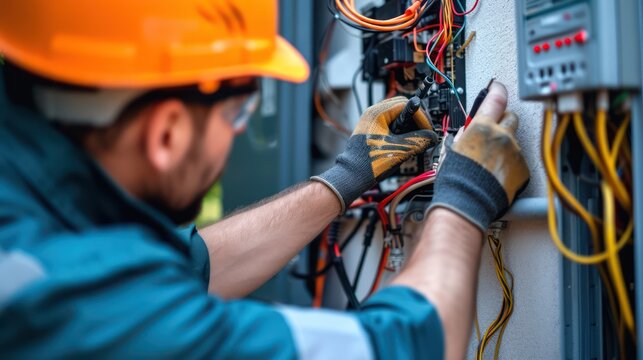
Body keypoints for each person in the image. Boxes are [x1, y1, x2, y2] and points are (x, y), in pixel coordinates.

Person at [0, 1, 529, 359]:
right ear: (166, 134)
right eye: (238, 114)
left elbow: (192, 265)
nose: (236, 134)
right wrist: (463, 196)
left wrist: (345, 179)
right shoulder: (76, 305)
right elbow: (406, 345)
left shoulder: (35, 215)